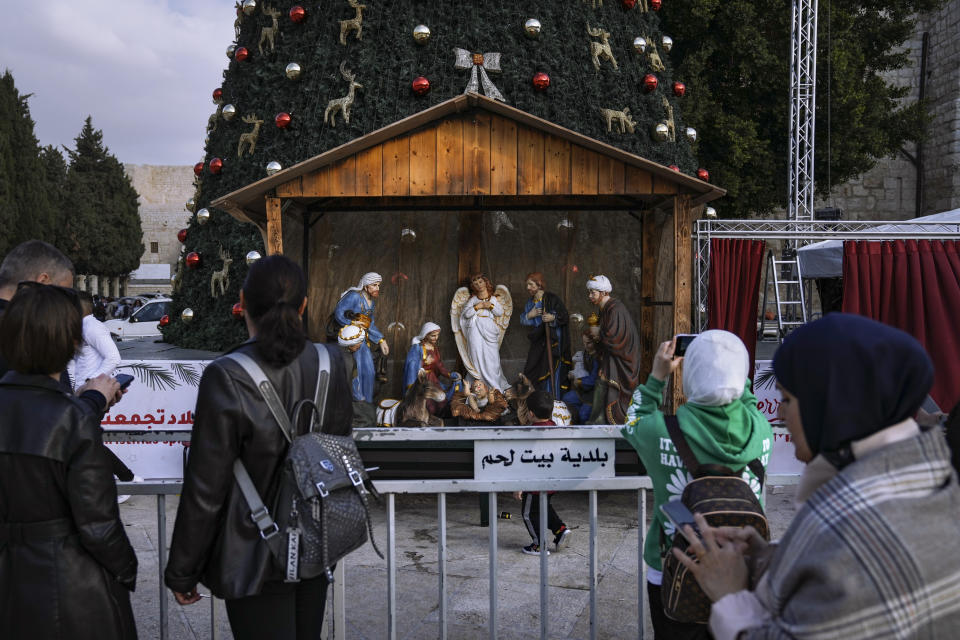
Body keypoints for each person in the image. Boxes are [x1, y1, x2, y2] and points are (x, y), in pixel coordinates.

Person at [673, 314, 960, 639]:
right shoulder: (921, 481)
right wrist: (773, 557)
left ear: (834, 406)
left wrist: (731, 598)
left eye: (787, 399)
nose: (779, 413)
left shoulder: (852, 539)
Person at [165, 255, 354, 639]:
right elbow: (336, 454)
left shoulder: (226, 375)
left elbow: (206, 486)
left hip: (252, 555)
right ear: (304, 303)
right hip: (313, 550)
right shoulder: (332, 363)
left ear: (242, 302)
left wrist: (183, 569)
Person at [0, 282, 138, 639]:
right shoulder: (72, 418)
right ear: (70, 342)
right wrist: (127, 571)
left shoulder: (70, 411)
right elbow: (99, 525)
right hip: (69, 590)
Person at [621, 330, 772, 639]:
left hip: (673, 569)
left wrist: (657, 377)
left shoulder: (660, 432)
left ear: (690, 375)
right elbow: (749, 400)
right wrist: (727, 363)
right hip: (742, 567)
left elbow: (632, 420)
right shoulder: (762, 430)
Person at [0, 239, 120, 414]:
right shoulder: (32, 333)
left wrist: (79, 399)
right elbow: (47, 425)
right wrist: (94, 400)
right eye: (64, 295)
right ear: (42, 283)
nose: (66, 306)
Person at [515, 391, 570, 555]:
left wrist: (519, 486)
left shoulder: (530, 434)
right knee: (544, 507)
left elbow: (525, 462)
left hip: (534, 486)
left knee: (528, 514)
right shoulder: (555, 428)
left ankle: (539, 544)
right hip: (552, 482)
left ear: (531, 414)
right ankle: (560, 530)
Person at [585, 275, 641, 424]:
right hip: (612, 359)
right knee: (601, 385)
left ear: (604, 293)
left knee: (605, 387)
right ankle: (598, 419)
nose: (590, 296)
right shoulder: (605, 309)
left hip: (622, 361)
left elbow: (615, 338)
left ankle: (604, 420)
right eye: (589, 292)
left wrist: (599, 334)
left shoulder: (615, 309)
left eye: (593, 292)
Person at [333, 272, 388, 403]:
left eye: (378, 285)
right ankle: (358, 400)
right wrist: (353, 323)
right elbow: (339, 313)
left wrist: (381, 340)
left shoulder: (371, 303)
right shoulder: (353, 296)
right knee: (355, 370)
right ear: (365, 286)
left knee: (369, 372)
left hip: (363, 340)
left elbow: (370, 324)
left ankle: (366, 401)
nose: (377, 288)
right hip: (351, 340)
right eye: (374, 285)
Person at [455, 273, 511, 392]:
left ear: (486, 282)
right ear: (473, 286)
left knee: (492, 358)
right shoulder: (473, 300)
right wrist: (478, 306)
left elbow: (499, 312)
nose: (479, 285)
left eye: (480, 282)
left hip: (489, 329)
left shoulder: (493, 299)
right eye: (475, 283)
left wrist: (489, 305)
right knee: (476, 355)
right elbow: (466, 314)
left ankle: (493, 386)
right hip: (474, 329)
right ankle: (478, 383)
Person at [519, 272, 571, 395]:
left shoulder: (551, 299)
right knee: (532, 368)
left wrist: (553, 318)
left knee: (550, 368)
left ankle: (552, 397)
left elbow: (564, 316)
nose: (528, 288)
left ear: (539, 284)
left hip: (551, 340)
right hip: (538, 341)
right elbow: (523, 320)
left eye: (531, 285)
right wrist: (529, 315)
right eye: (527, 285)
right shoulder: (530, 303)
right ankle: (535, 397)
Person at [68, 291, 122, 390]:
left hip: (90, 389)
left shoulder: (93, 327)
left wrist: (91, 381)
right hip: (81, 388)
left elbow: (113, 358)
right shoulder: (82, 326)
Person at [402, 322, 459, 415]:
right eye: (433, 336)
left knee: (441, 402)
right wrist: (423, 361)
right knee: (428, 405)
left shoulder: (434, 348)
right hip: (422, 380)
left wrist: (449, 375)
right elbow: (411, 364)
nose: (436, 338)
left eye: (437, 335)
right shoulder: (418, 348)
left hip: (433, 380)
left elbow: (439, 366)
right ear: (426, 335)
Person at [338, 324, 376, 428]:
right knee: (368, 416)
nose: (360, 344)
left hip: (344, 397)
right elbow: (354, 383)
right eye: (359, 342)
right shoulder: (349, 360)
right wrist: (360, 398)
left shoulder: (342, 355)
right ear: (351, 345)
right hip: (346, 400)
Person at [562, 326, 600, 424]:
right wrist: (574, 374)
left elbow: (593, 379)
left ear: (595, 342)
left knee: (584, 416)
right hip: (583, 391)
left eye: (589, 343)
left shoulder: (598, 358)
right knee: (566, 398)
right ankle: (577, 416)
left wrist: (579, 381)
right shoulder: (585, 354)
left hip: (594, 393)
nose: (586, 346)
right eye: (584, 342)